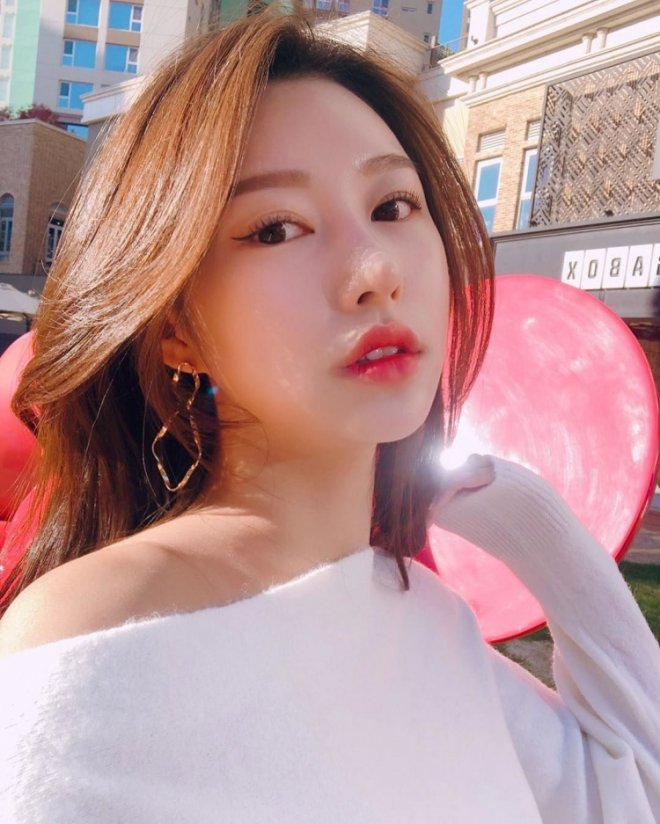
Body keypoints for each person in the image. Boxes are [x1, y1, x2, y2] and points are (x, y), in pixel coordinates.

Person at [0, 9, 658, 823]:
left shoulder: (428, 623)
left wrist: (532, 525)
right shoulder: (96, 642)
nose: (375, 268)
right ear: (177, 329)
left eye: (393, 206)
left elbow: (632, 791)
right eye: (277, 229)